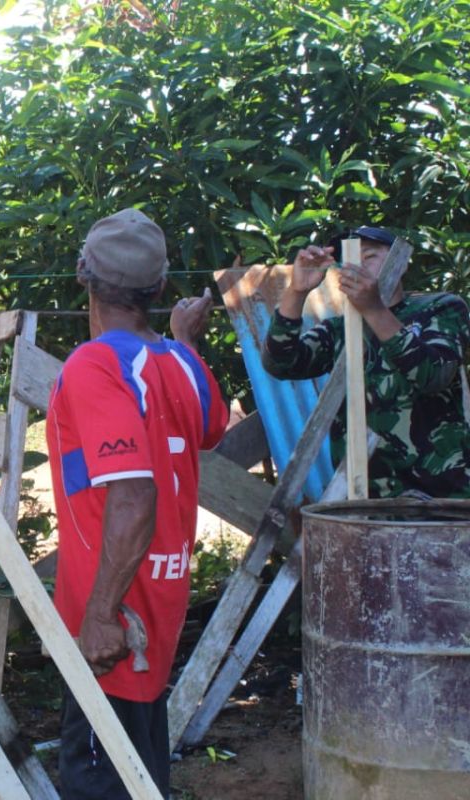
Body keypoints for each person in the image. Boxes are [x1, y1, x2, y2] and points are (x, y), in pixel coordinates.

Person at [46, 208, 229, 799]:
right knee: (141, 774)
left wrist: (100, 613)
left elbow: (133, 494)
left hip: (117, 616)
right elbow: (207, 428)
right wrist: (185, 341)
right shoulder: (183, 364)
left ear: (83, 275)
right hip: (162, 601)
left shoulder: (93, 365)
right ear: (158, 287)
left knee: (101, 778)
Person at [262, 226, 470, 499]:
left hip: (440, 497)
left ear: (402, 262)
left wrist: (373, 309)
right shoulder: (339, 328)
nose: (357, 267)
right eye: (350, 261)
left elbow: (433, 376)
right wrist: (297, 292)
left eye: (369, 256)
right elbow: (281, 363)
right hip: (363, 498)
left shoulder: (440, 308)